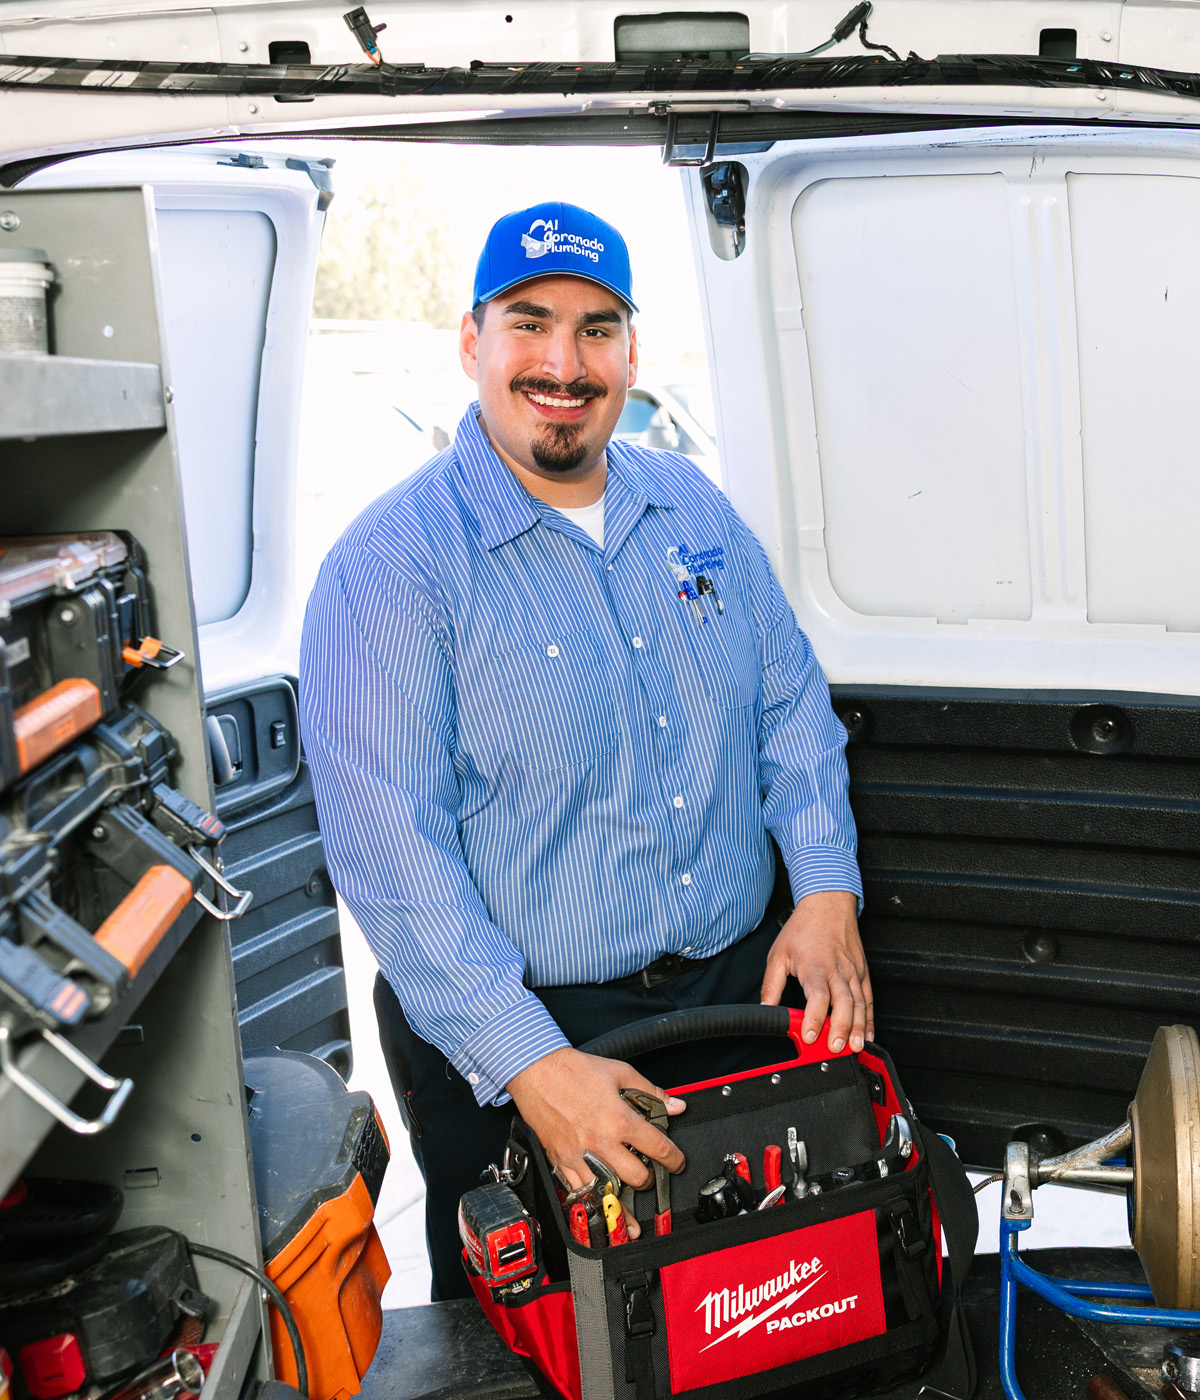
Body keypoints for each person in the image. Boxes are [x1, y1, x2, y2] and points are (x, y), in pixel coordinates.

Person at [300, 201, 872, 1300]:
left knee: (756, 1299)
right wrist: (533, 1066)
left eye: (596, 326)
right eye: (530, 322)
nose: (563, 362)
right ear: (473, 342)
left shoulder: (693, 509)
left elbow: (790, 707)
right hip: (538, 1027)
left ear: (630, 349)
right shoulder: (390, 569)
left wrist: (826, 890)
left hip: (734, 992)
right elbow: (394, 860)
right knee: (564, 1333)